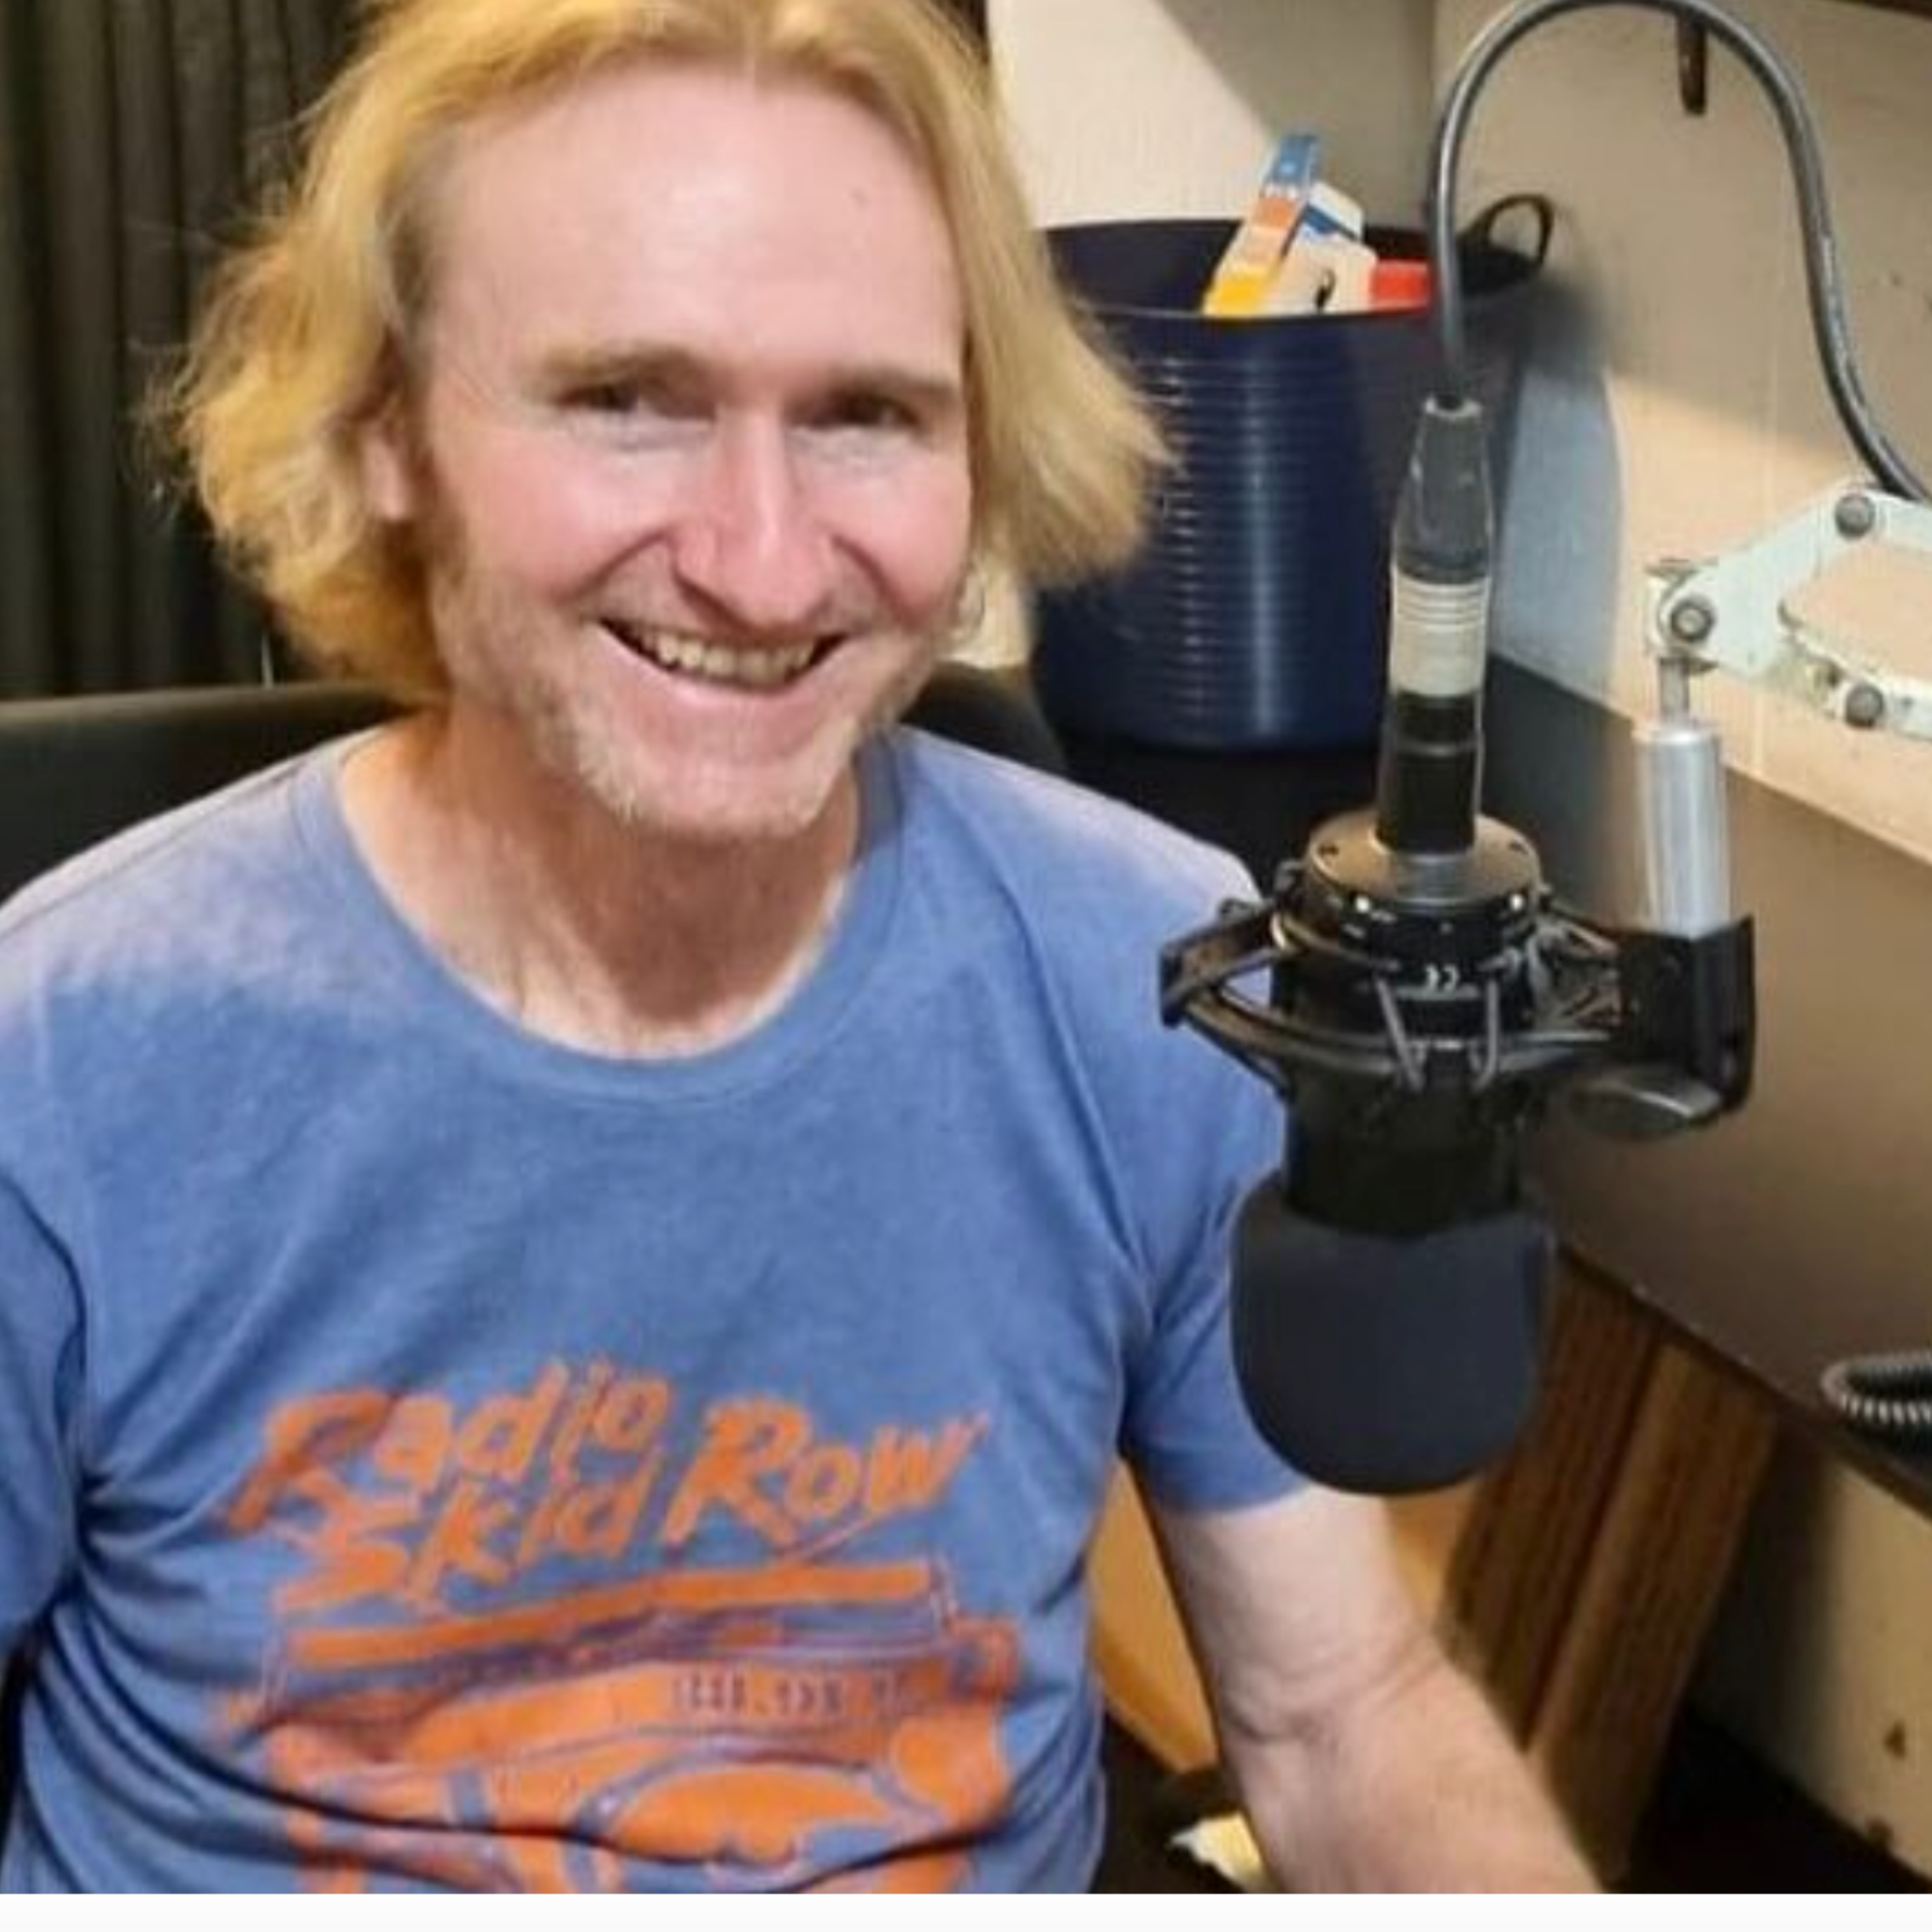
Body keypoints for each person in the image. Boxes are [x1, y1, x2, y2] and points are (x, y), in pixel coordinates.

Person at [0, 0, 1590, 1893]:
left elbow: (1346, 1714)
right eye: (626, 399)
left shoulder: (1163, 987)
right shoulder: (63, 1063)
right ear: (389, 429)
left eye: (865, 417)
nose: (761, 565)